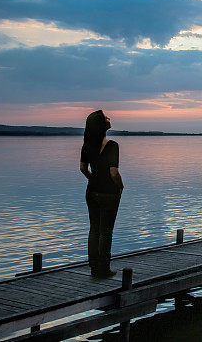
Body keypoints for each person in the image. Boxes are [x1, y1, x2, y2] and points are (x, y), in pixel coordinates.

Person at [79, 110, 124, 278]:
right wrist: (121, 186)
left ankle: (94, 267)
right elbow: (114, 173)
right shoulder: (112, 145)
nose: (109, 119)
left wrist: (94, 179)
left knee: (94, 229)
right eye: (106, 118)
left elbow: (83, 169)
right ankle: (103, 269)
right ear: (101, 125)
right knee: (106, 231)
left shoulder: (86, 146)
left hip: (91, 191)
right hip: (108, 193)